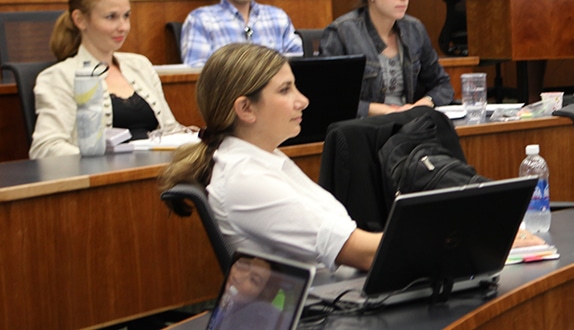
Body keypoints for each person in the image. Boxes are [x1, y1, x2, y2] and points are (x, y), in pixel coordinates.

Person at [155, 44, 539, 272]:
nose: (303, 100)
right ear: (245, 109)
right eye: (285, 90)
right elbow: (364, 253)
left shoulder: (263, 159)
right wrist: (482, 238)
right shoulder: (245, 179)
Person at [30, 0, 184, 159]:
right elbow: (45, 148)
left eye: (126, 16)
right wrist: (103, 160)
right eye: (111, 17)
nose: (123, 27)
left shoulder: (140, 65)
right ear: (80, 20)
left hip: (156, 168)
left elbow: (170, 130)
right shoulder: (59, 76)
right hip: (102, 173)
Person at [323, 0, 454, 117]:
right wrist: (387, 111)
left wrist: (423, 104)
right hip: (364, 126)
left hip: (409, 122)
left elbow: (443, 85)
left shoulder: (414, 29)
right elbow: (330, 99)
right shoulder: (342, 33)